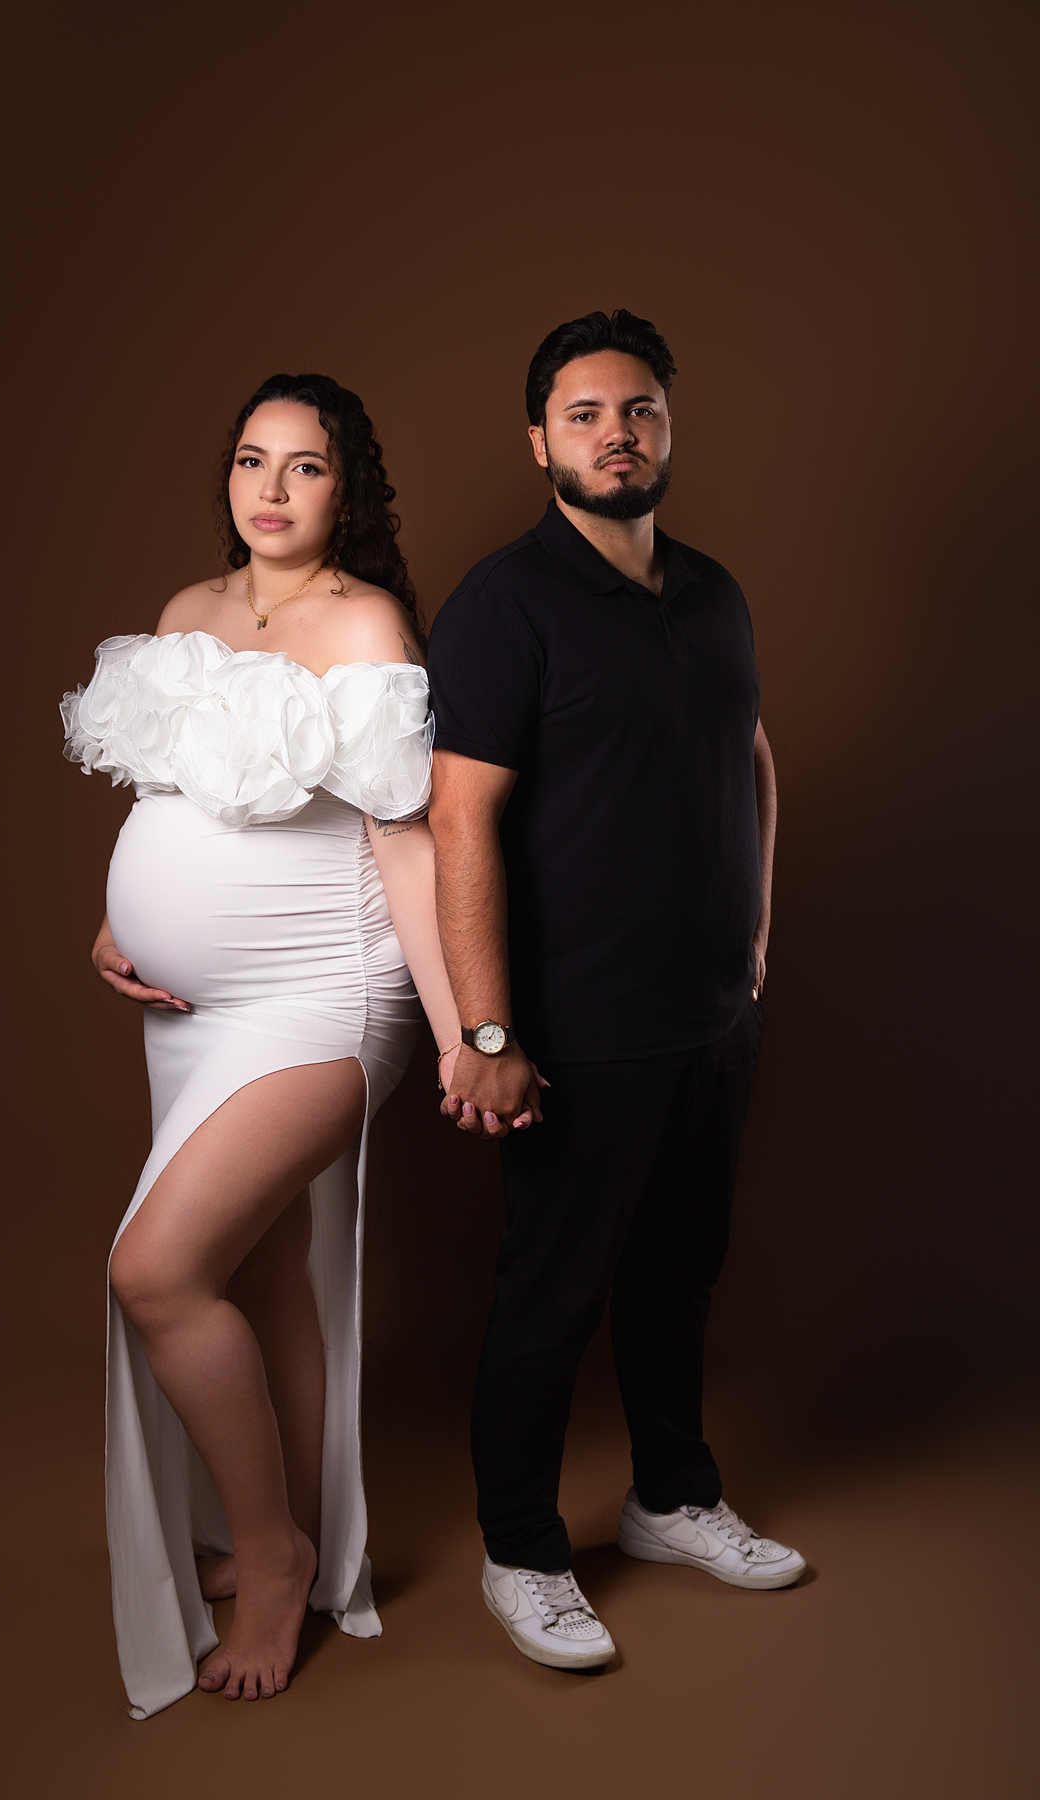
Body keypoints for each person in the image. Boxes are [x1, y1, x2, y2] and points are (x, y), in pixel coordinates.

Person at [60, 375, 476, 1718]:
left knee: (157, 1272)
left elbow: (403, 841)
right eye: (253, 460)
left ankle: (280, 1557)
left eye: (306, 466)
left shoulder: (363, 621)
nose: (273, 490)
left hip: (319, 994)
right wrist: (121, 919)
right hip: (191, 1012)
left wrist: (465, 1033)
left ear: (347, 490)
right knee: (269, 1275)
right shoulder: (188, 611)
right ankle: (274, 1526)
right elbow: (167, 794)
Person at [426, 309, 805, 1672]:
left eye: (638, 409)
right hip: (577, 1025)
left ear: (668, 428)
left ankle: (671, 1499)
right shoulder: (502, 604)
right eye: (583, 414)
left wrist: (755, 929)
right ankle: (523, 1552)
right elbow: (459, 820)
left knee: (679, 1274)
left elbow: (750, 756)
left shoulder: (714, 592)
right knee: (553, 1293)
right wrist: (487, 1028)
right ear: (539, 442)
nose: (615, 434)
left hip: (711, 1017)